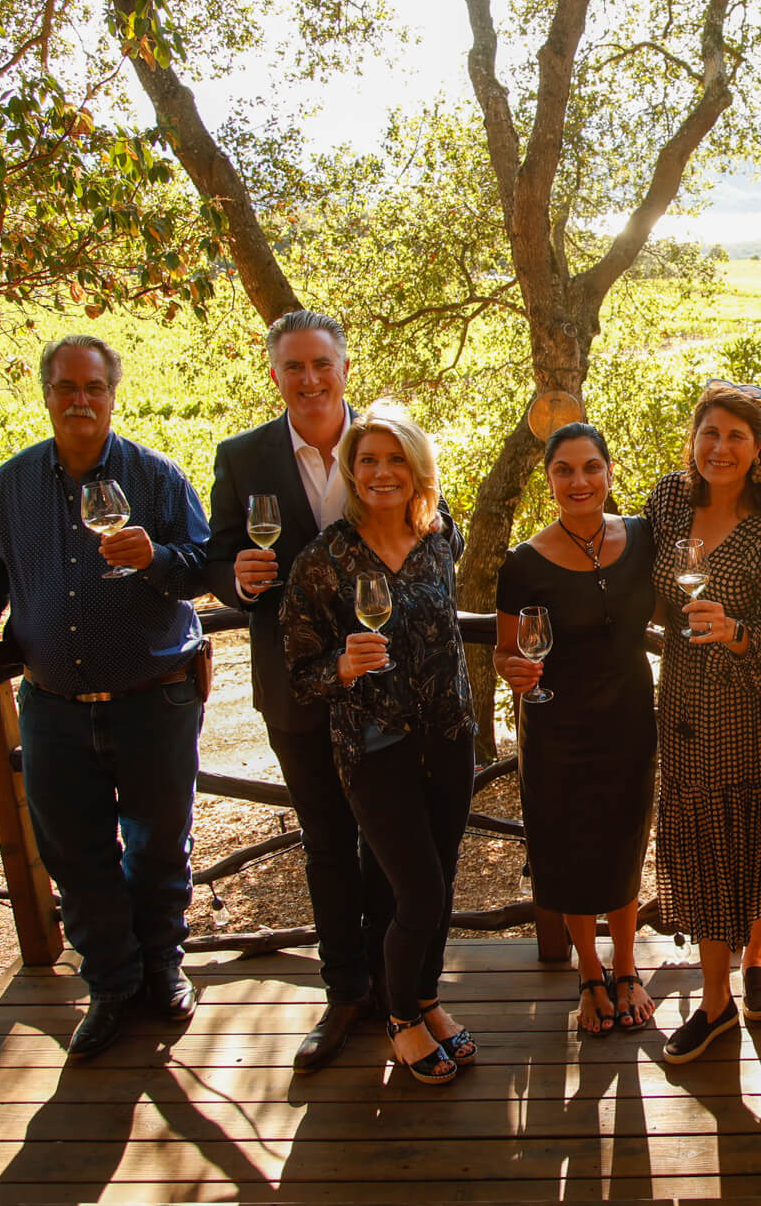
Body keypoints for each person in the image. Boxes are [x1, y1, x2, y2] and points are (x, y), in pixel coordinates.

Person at [0, 334, 210, 1060]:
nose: (80, 399)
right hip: (52, 704)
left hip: (154, 698)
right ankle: (111, 983)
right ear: (47, 395)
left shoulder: (156, 477)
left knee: (158, 846)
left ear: (113, 394)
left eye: (94, 386)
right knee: (73, 853)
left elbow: (203, 568)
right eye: (67, 387)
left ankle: (162, 967)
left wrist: (153, 558)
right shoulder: (12, 485)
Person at [205, 309, 391, 1072]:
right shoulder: (242, 455)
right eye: (294, 367)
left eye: (322, 364)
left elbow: (427, 520)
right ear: (274, 371)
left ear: (345, 368)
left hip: (381, 681)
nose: (310, 379)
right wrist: (234, 579)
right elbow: (216, 554)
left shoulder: (381, 443)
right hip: (294, 686)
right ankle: (344, 989)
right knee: (325, 843)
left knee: (386, 838)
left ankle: (395, 983)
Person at [280, 401, 477, 1086]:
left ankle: (426, 998)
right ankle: (399, 1016)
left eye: (396, 459)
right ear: (351, 471)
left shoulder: (440, 532)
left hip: (450, 734)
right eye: (368, 460)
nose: (382, 471)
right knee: (417, 891)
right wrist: (341, 662)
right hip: (375, 744)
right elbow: (299, 670)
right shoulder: (324, 558)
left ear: (418, 469)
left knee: (444, 878)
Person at [642, 382, 761, 1065]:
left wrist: (738, 633)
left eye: (738, 435)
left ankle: (758, 958)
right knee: (705, 847)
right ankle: (715, 1004)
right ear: (694, 437)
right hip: (683, 702)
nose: (721, 447)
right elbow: (635, 578)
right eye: (711, 432)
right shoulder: (668, 500)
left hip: (757, 704)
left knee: (759, 840)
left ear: (760, 447)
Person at [495, 422, 658, 1037]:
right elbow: (505, 654)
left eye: (591, 466)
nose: (580, 480)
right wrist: (513, 668)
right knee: (566, 852)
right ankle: (589, 973)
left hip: (630, 722)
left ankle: (627, 965)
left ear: (609, 472)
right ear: (550, 480)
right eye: (565, 470)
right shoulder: (523, 561)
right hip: (557, 728)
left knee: (623, 844)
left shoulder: (642, 538)